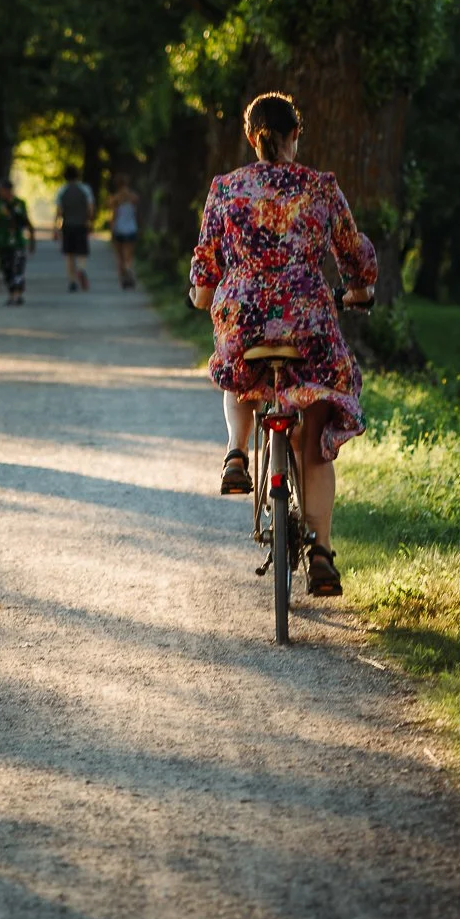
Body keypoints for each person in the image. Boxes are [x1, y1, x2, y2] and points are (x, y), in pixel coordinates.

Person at [188, 91, 376, 597]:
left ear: (253, 138)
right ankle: (321, 551)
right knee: (315, 428)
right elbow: (353, 253)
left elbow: (205, 270)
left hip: (245, 317)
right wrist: (360, 289)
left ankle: (235, 453)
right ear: (297, 134)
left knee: (236, 370)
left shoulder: (226, 189)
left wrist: (206, 293)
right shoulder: (319, 187)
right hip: (308, 320)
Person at [0, 177, 36, 304]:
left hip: (18, 240)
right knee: (6, 268)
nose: (1, 193)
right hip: (4, 240)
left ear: (9, 190)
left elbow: (26, 221)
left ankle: (18, 294)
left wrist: (32, 238)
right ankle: (11, 293)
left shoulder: (19, 203)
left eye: (3, 190)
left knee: (18, 267)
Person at [54, 164, 94, 292]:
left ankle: (72, 280)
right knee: (82, 252)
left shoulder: (62, 190)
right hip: (81, 224)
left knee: (69, 254)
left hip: (68, 225)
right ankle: (81, 269)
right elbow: (90, 208)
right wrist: (89, 220)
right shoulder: (85, 189)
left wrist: (56, 228)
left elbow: (59, 212)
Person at [109, 175, 141, 289]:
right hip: (131, 229)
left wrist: (112, 231)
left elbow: (113, 217)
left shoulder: (115, 200)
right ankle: (129, 271)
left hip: (119, 229)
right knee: (129, 255)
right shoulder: (133, 198)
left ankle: (123, 278)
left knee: (119, 256)